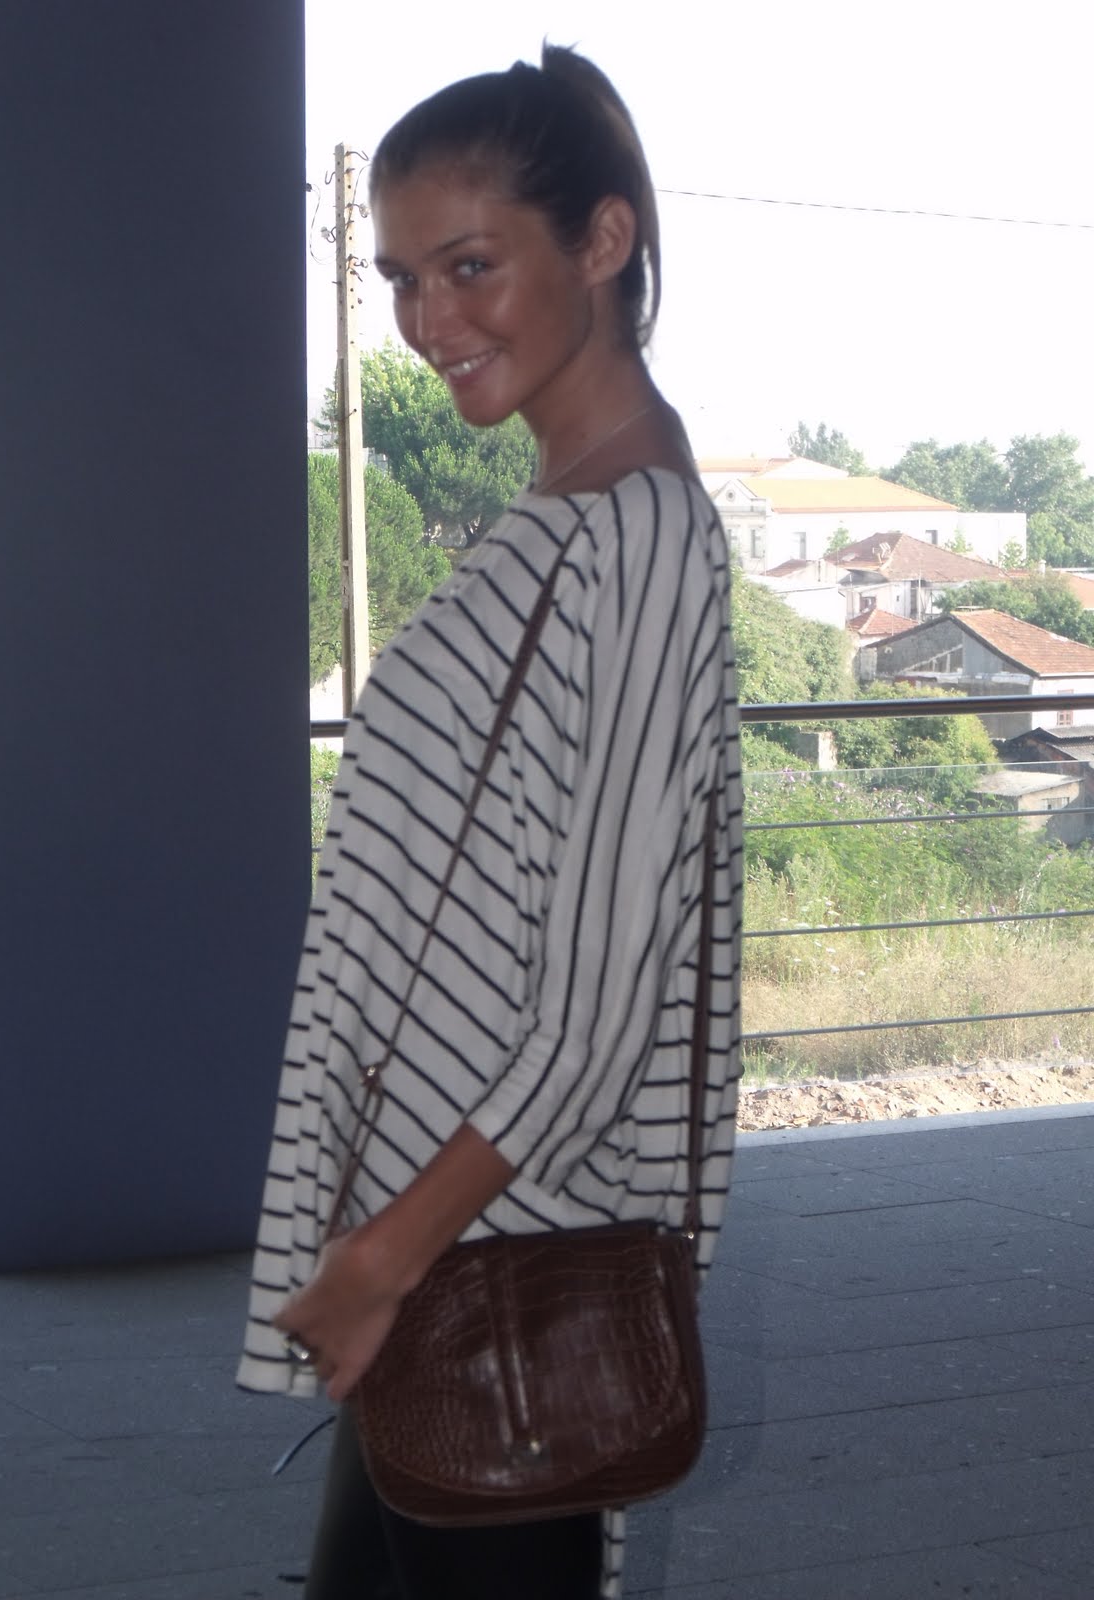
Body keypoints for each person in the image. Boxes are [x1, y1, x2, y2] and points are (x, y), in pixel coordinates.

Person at [237, 43, 743, 1600]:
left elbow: (597, 1018)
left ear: (603, 241)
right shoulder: (560, 510)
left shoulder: (642, 536)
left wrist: (378, 1262)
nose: (427, 320)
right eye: (400, 278)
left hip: (498, 1259)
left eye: (470, 266)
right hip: (436, 1238)